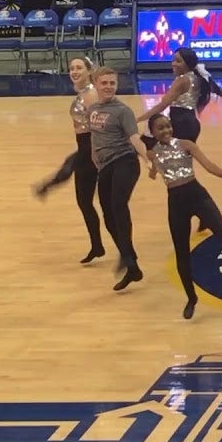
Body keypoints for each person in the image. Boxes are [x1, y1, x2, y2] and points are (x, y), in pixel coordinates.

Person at [145, 115, 222, 319]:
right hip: (175, 201)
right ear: (153, 132)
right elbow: (155, 167)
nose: (165, 130)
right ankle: (191, 298)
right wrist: (153, 172)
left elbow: (208, 165)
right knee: (181, 253)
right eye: (160, 128)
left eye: (168, 126)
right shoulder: (152, 153)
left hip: (197, 195)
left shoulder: (186, 145)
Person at [33, 56, 105, 264]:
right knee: (84, 201)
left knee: (72, 168)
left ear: (89, 70)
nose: (74, 72)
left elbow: (101, 124)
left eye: (79, 68)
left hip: (92, 147)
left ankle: (47, 185)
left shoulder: (91, 95)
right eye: (71, 68)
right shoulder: (84, 93)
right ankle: (97, 246)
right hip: (85, 146)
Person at [87, 66, 150, 291]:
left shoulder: (123, 111)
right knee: (107, 215)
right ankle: (131, 265)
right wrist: (95, 158)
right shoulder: (92, 109)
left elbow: (135, 138)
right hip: (105, 167)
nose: (109, 87)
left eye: (112, 83)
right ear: (95, 84)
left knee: (118, 205)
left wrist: (147, 159)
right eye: (104, 83)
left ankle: (127, 255)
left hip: (125, 162)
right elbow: (95, 137)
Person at [136, 47, 222, 142]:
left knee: (147, 143)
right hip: (191, 123)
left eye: (178, 61)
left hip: (180, 124)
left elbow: (162, 105)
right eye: (173, 60)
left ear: (187, 64)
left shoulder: (182, 81)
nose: (173, 64)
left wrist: (137, 119)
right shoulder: (199, 78)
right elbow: (221, 92)